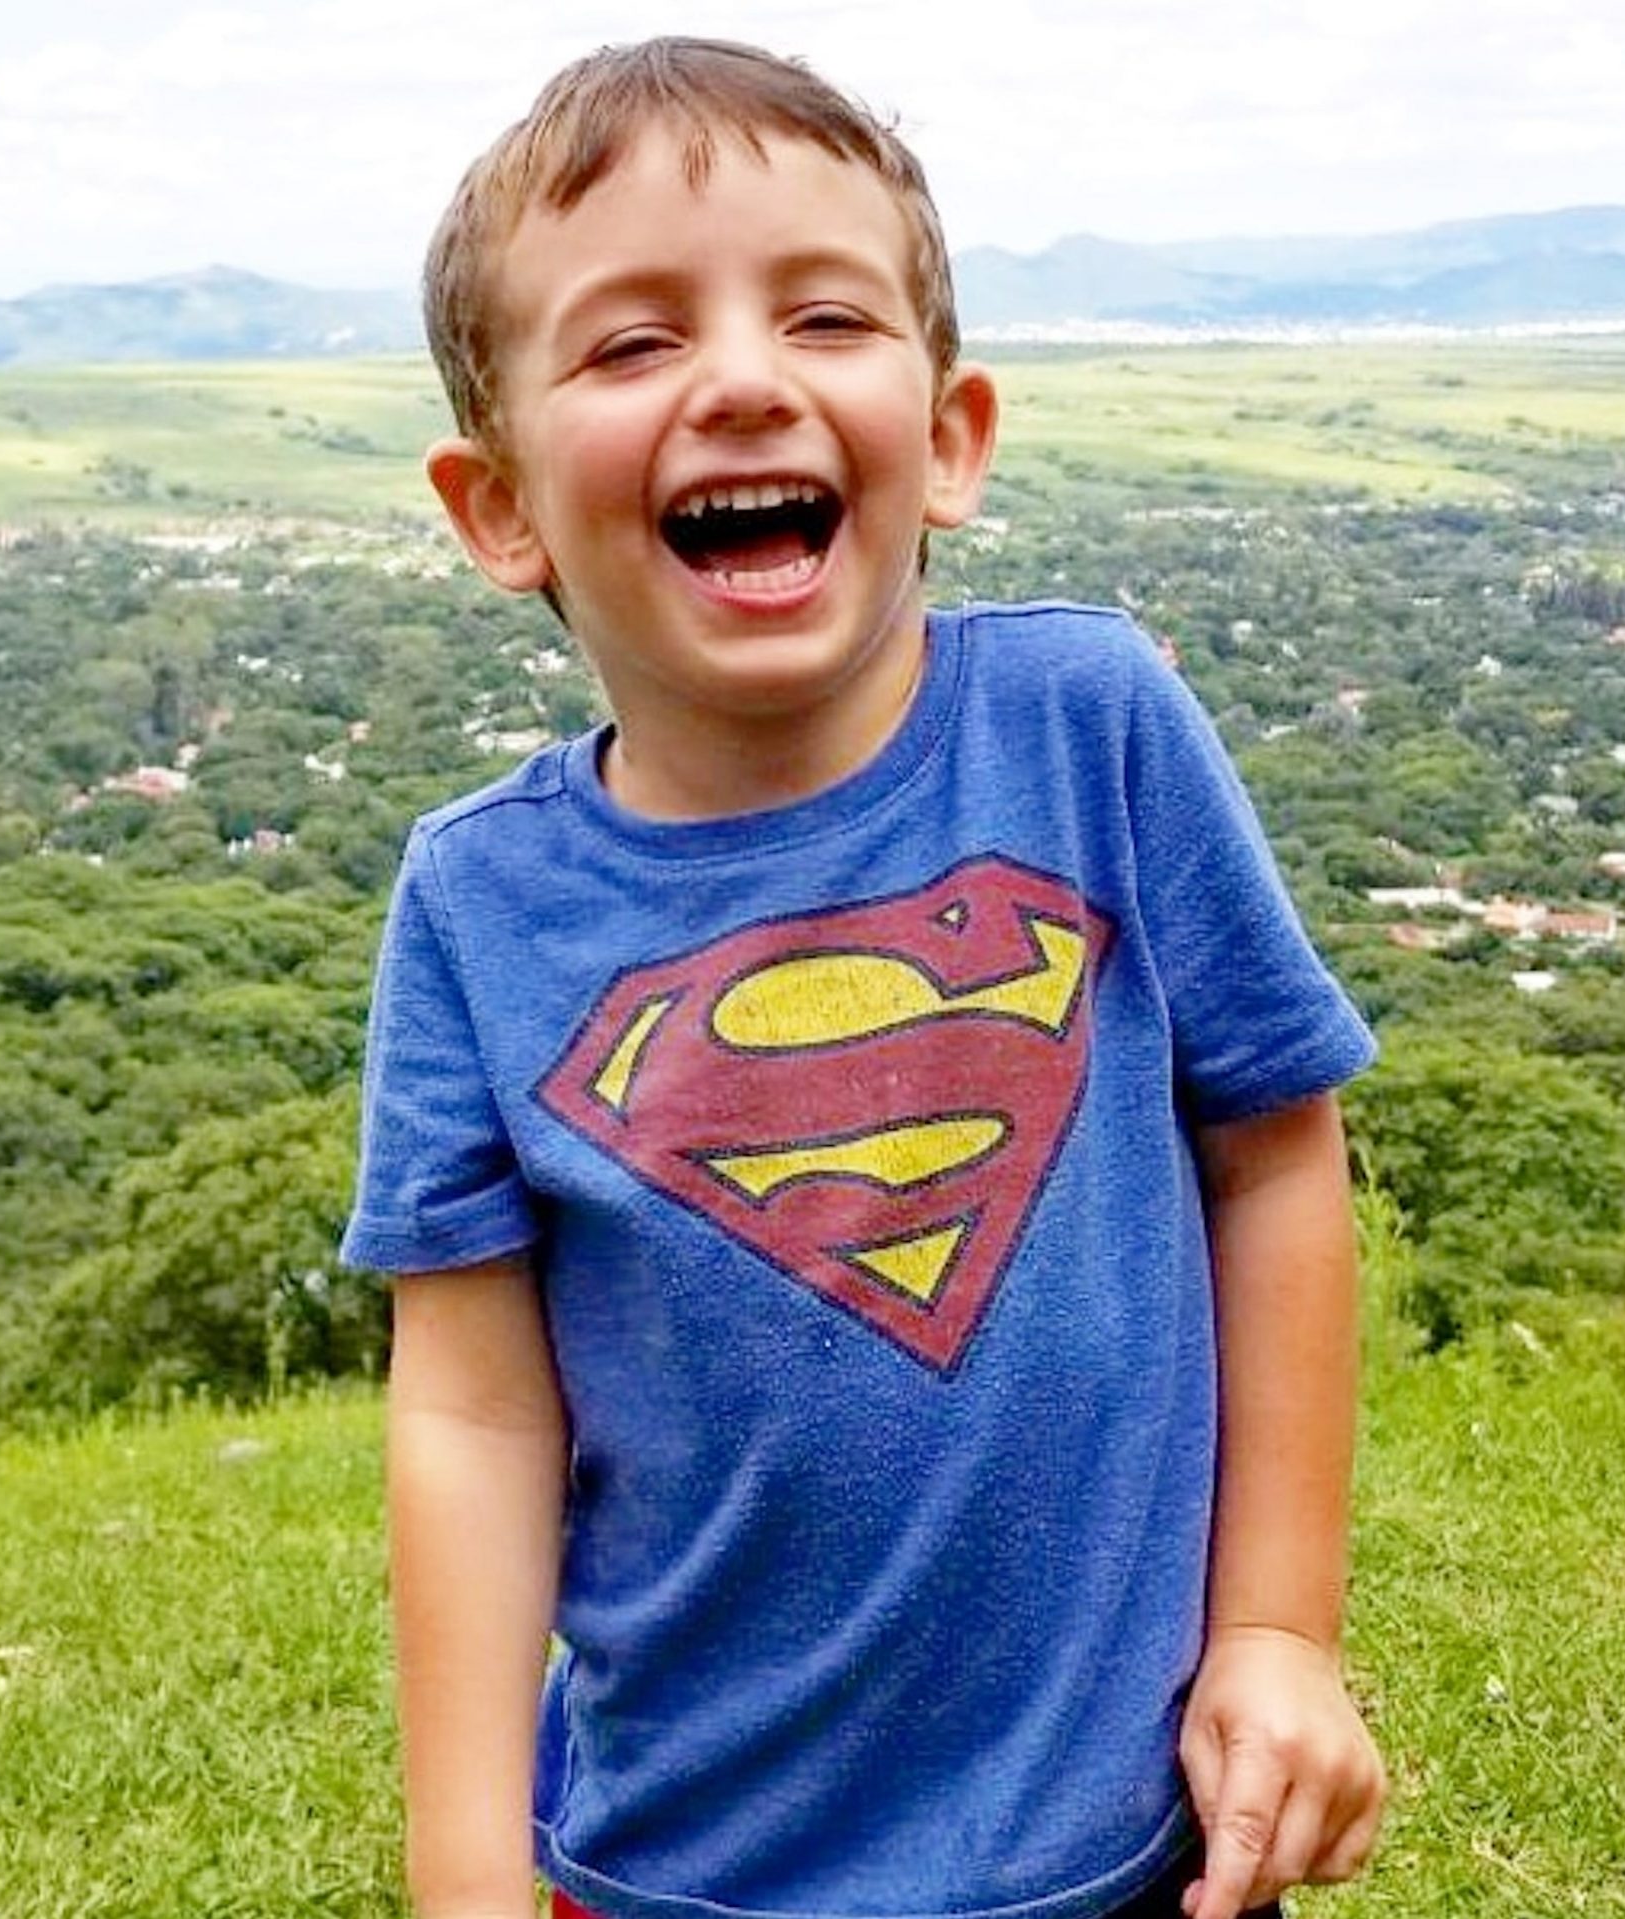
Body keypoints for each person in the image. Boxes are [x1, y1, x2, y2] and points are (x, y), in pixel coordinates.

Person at [339, 33, 1385, 1919]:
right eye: (632, 342)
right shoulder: (478, 905)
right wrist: (462, 1874)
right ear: (496, 509)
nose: (742, 381)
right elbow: (473, 1412)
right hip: (675, 1874)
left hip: (1129, 1857)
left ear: (954, 434)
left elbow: (1277, 1160)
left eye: (823, 316)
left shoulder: (1092, 728)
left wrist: (1282, 1635)